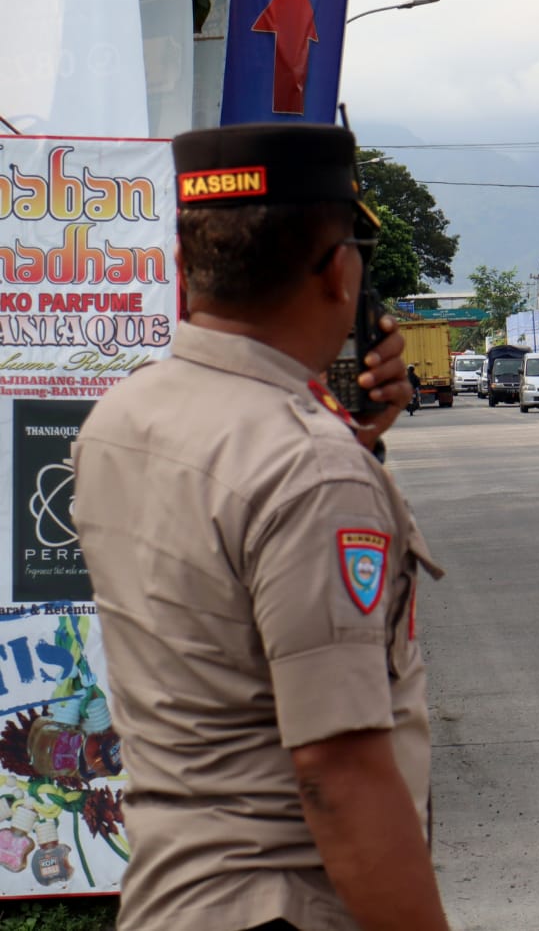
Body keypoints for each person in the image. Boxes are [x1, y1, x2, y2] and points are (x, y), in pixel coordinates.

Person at [73, 124, 450, 931]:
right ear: (338, 272)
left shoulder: (121, 417)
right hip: (289, 905)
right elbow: (336, 776)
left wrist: (352, 439)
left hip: (172, 895)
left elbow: (224, 568)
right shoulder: (308, 469)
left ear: (183, 269)